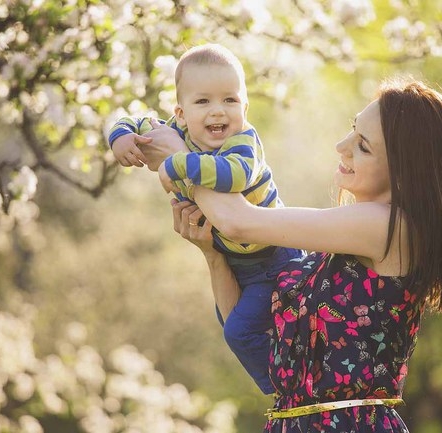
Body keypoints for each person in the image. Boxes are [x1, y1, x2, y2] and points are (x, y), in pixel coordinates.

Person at [143, 77, 442, 432]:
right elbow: (252, 334)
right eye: (352, 129)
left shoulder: (388, 227)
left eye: (363, 146)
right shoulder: (333, 256)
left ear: (402, 172)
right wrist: (212, 255)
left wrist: (179, 156)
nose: (341, 145)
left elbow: (240, 221)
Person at [107, 43, 304, 395]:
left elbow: (235, 176)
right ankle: (290, 369)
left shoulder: (244, 143)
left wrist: (177, 162)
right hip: (236, 259)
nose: (218, 111)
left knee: (240, 331)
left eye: (230, 100)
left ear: (245, 107)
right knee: (229, 320)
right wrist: (121, 137)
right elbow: (131, 119)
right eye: (203, 102)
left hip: (276, 258)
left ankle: (289, 391)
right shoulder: (174, 132)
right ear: (180, 114)